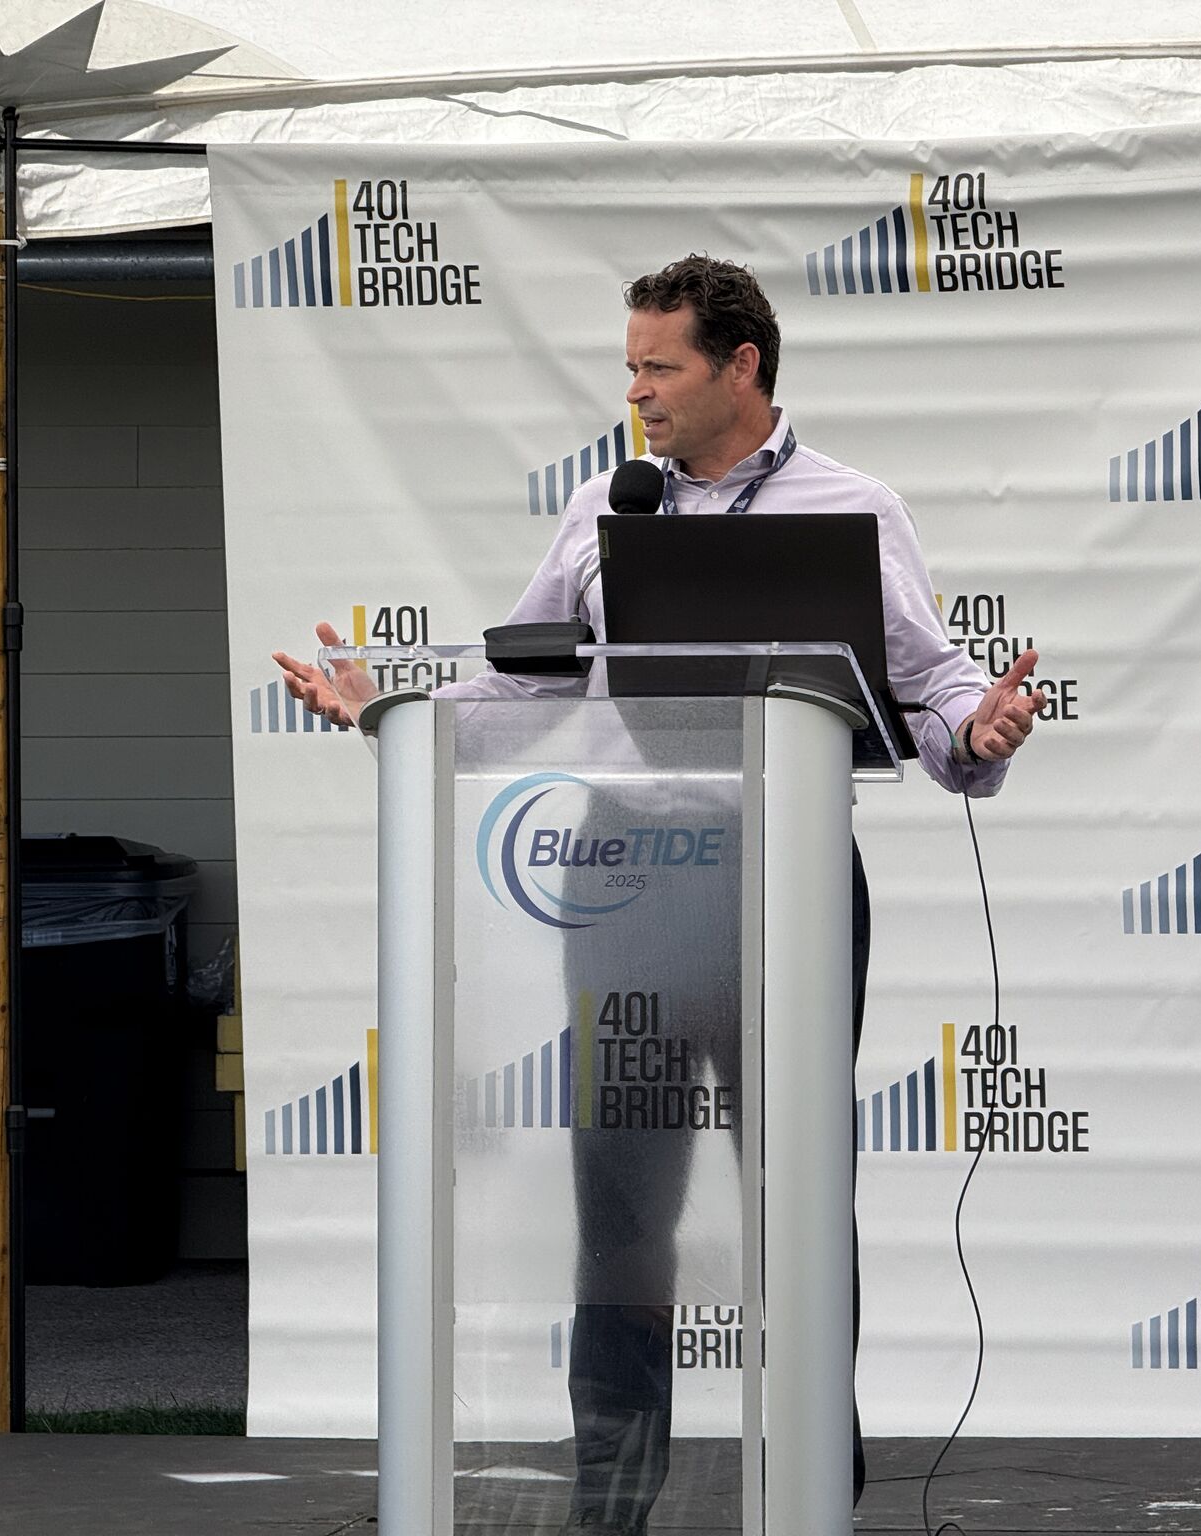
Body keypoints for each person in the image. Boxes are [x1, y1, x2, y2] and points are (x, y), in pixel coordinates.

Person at [276, 256, 1045, 1535]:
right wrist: (395, 716)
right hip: (625, 877)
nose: (635, 392)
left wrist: (980, 728)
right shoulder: (606, 506)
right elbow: (524, 684)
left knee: (795, 1196)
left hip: (787, 878)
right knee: (621, 1208)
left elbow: (929, 685)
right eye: (628, 366)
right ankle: (613, 1502)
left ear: (741, 367)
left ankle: (814, 1492)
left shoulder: (852, 505)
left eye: (659, 367)